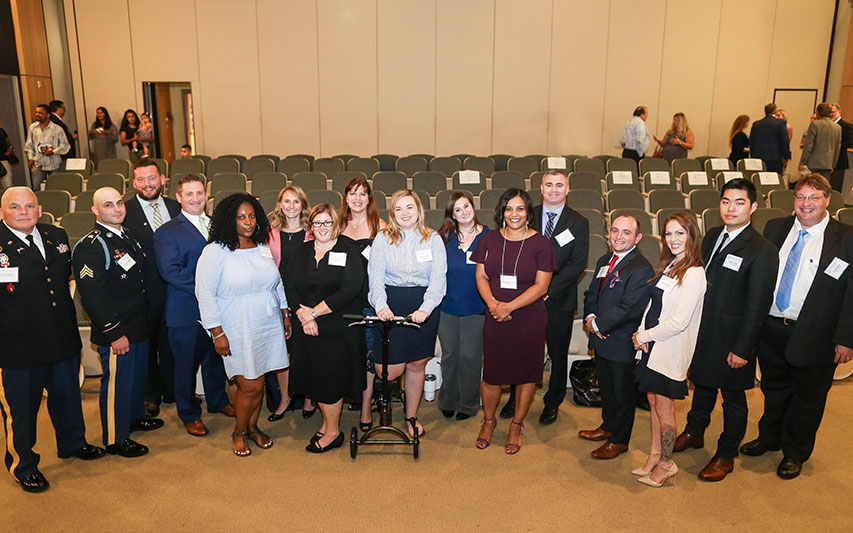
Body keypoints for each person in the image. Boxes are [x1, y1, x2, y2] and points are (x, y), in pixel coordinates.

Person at [741, 174, 853, 480]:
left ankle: (795, 451)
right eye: (801, 197)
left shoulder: (846, 237)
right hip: (773, 327)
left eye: (814, 198)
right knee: (773, 389)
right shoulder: (775, 227)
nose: (806, 204)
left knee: (808, 397)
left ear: (828, 200)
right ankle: (769, 438)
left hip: (819, 334)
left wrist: (847, 338)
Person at [0, 187, 105, 493]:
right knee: (22, 411)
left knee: (68, 398)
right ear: (3, 212)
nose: (23, 211)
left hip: (61, 338)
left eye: (29, 206)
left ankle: (73, 443)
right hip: (17, 347)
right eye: (16, 207)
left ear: (40, 208)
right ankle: (24, 466)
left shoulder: (56, 235)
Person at [673, 179, 778, 482]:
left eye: (740, 202)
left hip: (733, 340)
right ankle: (694, 432)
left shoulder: (762, 250)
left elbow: (758, 305)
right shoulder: (712, 235)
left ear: (753, 207)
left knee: (733, 400)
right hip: (704, 330)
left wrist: (744, 349)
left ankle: (726, 453)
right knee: (703, 386)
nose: (731, 208)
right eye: (726, 201)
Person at [195, 193, 292, 457]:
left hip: (266, 322)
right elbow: (204, 294)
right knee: (249, 384)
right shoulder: (215, 251)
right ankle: (238, 431)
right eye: (241, 217)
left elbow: (277, 281)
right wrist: (216, 332)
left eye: (251, 216)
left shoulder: (261, 246)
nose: (248, 222)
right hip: (236, 324)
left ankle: (253, 427)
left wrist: (285, 312)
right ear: (229, 220)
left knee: (259, 383)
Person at [72, 187, 163, 459]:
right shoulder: (91, 246)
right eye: (108, 205)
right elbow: (92, 296)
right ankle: (115, 437)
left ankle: (133, 419)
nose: (116, 209)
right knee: (117, 385)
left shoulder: (127, 235)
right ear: (96, 211)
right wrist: (113, 333)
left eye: (119, 203)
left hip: (137, 325)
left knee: (134, 382)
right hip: (117, 331)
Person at [500, 169, 588, 425]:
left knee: (558, 355)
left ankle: (553, 402)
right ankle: (514, 397)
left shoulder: (579, 222)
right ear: (540, 188)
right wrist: (531, 292)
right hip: (525, 298)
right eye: (549, 185)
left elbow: (577, 263)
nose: (554, 190)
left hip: (558, 300)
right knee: (521, 351)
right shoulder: (526, 214)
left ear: (567, 189)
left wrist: (547, 290)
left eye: (559, 185)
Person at [471, 189, 555, 454]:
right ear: (501, 212)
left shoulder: (541, 243)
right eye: (509, 208)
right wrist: (494, 305)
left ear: (528, 213)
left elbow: (542, 286)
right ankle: (488, 421)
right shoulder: (489, 240)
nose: (514, 214)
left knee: (526, 374)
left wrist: (509, 306)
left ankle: (517, 424)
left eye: (520, 209)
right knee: (492, 374)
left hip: (529, 318)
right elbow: (481, 277)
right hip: (495, 316)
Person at [153, 174, 234, 437]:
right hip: (185, 310)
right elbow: (171, 272)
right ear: (178, 198)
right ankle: (188, 413)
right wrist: (208, 290)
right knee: (185, 366)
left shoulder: (217, 226)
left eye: (199, 193)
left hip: (218, 309)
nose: (195, 199)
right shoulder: (167, 232)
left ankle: (218, 401)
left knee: (214, 359)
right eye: (189, 194)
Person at [631, 213, 706, 487]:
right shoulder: (671, 265)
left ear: (692, 236)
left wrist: (644, 335)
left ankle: (666, 464)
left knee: (665, 411)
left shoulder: (695, 273)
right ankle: (654, 456)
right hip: (652, 346)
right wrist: (642, 334)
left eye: (680, 233)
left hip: (669, 349)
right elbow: (653, 305)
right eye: (669, 234)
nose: (673, 239)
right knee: (652, 402)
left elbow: (679, 321)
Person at [367, 190, 446, 439]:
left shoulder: (433, 239)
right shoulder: (382, 238)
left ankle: (411, 417)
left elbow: (438, 280)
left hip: (424, 306)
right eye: (398, 209)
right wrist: (380, 305)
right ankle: (382, 402)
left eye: (409, 207)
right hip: (390, 304)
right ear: (392, 213)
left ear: (418, 210)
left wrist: (426, 308)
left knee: (417, 364)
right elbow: (375, 278)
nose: (404, 213)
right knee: (387, 371)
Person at [288, 204, 365, 452]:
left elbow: (350, 289)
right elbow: (289, 285)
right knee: (316, 378)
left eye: (327, 222)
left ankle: (333, 432)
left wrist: (314, 312)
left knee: (330, 380)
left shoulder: (349, 251)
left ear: (337, 225)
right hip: (307, 327)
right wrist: (305, 317)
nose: (322, 228)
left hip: (337, 329)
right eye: (317, 223)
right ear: (310, 227)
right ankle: (326, 422)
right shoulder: (301, 252)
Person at [580, 215, 654, 459]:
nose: (619, 237)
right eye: (615, 231)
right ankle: (608, 427)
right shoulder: (605, 259)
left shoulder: (641, 268)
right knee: (608, 389)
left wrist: (599, 324)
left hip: (621, 340)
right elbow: (591, 293)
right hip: (600, 339)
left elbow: (630, 307)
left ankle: (620, 440)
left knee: (623, 394)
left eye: (626, 232)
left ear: (637, 237)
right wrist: (590, 316)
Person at [124, 159, 180, 417]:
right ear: (134, 183)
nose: (147, 184)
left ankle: (173, 390)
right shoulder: (125, 211)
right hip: (144, 292)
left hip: (177, 290)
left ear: (162, 179)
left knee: (172, 343)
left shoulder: (176, 206)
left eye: (152, 178)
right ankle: (151, 394)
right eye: (141, 180)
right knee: (148, 345)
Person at [335, 176, 386, 430]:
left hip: (368, 299)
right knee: (344, 352)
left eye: (362, 193)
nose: (357, 198)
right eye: (352, 193)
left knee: (367, 355)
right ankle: (346, 398)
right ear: (345, 198)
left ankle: (365, 408)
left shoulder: (380, 225)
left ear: (369, 198)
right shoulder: (336, 225)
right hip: (342, 300)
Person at [437, 191, 489, 421]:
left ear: (473, 207)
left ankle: (468, 404)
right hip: (447, 306)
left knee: (470, 357)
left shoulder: (489, 236)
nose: (464, 212)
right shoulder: (443, 237)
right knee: (449, 356)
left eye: (466, 206)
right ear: (452, 215)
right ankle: (448, 399)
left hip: (476, 307)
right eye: (458, 209)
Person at [266, 185, 313, 421]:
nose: (291, 206)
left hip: (306, 301)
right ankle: (285, 397)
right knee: (281, 352)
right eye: (287, 201)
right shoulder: (269, 233)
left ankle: (308, 397)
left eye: (296, 201)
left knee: (305, 350)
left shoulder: (313, 232)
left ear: (303, 205)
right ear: (280, 204)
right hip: (277, 300)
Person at [24, 104, 69, 190]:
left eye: (40, 113)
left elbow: (65, 145)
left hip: (54, 163)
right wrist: (30, 158)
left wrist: (53, 151)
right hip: (38, 163)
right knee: (36, 188)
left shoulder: (57, 129)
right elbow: (29, 145)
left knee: (55, 188)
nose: (37, 115)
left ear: (48, 115)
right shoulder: (32, 128)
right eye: (36, 112)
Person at [799, 103, 841, 180]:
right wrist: (833, 165)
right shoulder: (837, 127)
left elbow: (809, 145)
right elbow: (837, 148)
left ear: (818, 112)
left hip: (813, 164)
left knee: (811, 185)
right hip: (828, 164)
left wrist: (803, 162)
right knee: (823, 186)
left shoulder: (815, 125)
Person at [749, 103, 791, 174]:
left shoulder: (756, 124)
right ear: (775, 111)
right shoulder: (781, 123)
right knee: (773, 181)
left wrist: (753, 156)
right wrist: (786, 156)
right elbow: (784, 141)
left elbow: (752, 142)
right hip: (774, 159)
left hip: (758, 159)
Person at [829, 103, 853, 192]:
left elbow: (849, 142)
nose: (830, 114)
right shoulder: (827, 125)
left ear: (839, 112)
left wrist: (835, 147)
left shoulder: (846, 126)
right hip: (827, 161)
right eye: (829, 112)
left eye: (832, 112)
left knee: (835, 187)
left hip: (839, 161)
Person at [0, 117, 15, 190]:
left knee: (8, 186)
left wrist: (11, 149)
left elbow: (8, 143)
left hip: (4, 160)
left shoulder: (1, 131)